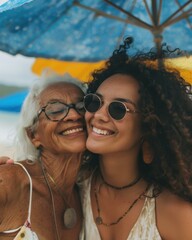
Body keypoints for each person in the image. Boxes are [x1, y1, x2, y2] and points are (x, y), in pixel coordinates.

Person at [78, 37, 192, 240]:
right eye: (95, 102)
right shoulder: (73, 188)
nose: (99, 115)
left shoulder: (176, 212)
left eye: (118, 109)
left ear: (148, 126)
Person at [0, 72, 87, 240]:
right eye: (55, 110)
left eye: (82, 106)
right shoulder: (10, 182)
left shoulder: (85, 191)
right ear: (33, 135)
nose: (74, 115)